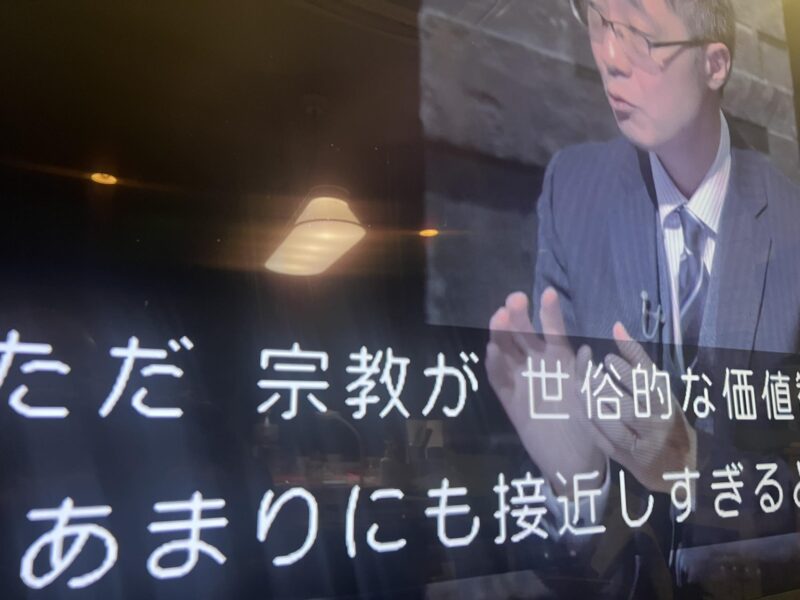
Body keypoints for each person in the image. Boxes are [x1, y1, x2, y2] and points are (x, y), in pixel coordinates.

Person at [486, 0, 800, 597]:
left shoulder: (792, 225)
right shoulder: (572, 190)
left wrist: (689, 463)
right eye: (601, 25)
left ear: (714, 64)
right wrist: (580, 486)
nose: (610, 58)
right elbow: (572, 562)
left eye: (641, 37)